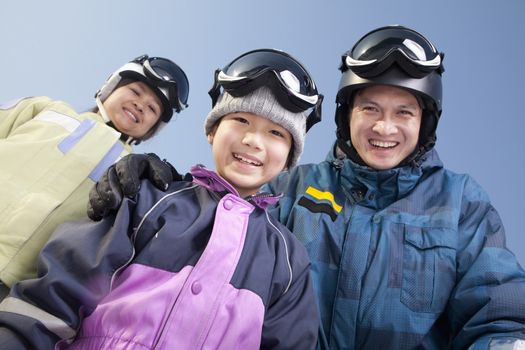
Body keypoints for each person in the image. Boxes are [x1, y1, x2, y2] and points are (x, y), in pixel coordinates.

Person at [84, 25, 525, 349]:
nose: (384, 127)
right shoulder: (294, 187)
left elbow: (498, 315)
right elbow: (217, 223)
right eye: (370, 107)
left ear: (424, 122)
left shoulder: (461, 203)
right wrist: (153, 182)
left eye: (404, 112)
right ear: (346, 116)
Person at [0, 48, 322, 349]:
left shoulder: (287, 258)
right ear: (212, 131)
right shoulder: (145, 194)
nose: (253, 140)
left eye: (276, 133)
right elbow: (62, 288)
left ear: (290, 154)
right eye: (241, 120)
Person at [0, 54, 190, 299]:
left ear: (152, 129)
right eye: (135, 91)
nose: (141, 104)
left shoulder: (130, 174)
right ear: (110, 87)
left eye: (153, 108)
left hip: (15, 289)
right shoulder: (46, 110)